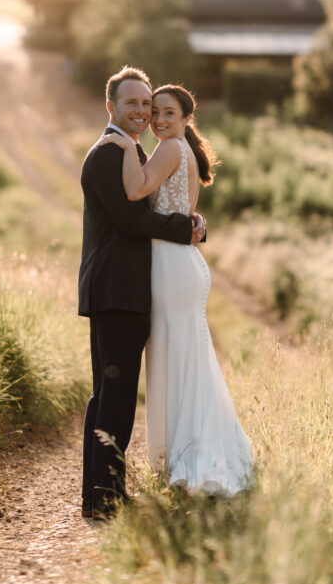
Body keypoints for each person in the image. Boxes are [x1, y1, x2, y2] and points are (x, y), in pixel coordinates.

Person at [97, 84, 253, 496]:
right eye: (155, 112)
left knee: (177, 361)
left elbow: (135, 192)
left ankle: (188, 459)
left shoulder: (168, 148)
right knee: (188, 360)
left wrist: (127, 146)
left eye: (168, 112)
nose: (158, 119)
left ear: (186, 118)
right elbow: (177, 209)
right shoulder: (182, 150)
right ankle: (196, 450)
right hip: (182, 263)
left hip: (171, 266)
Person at [78, 66, 206, 520]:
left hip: (123, 290)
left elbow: (149, 205)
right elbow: (130, 220)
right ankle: (104, 498)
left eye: (146, 104)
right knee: (114, 398)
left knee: (109, 396)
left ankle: (101, 493)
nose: (141, 111)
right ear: (110, 106)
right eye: (131, 102)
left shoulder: (129, 150)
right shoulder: (108, 153)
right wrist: (185, 229)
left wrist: (190, 222)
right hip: (117, 290)